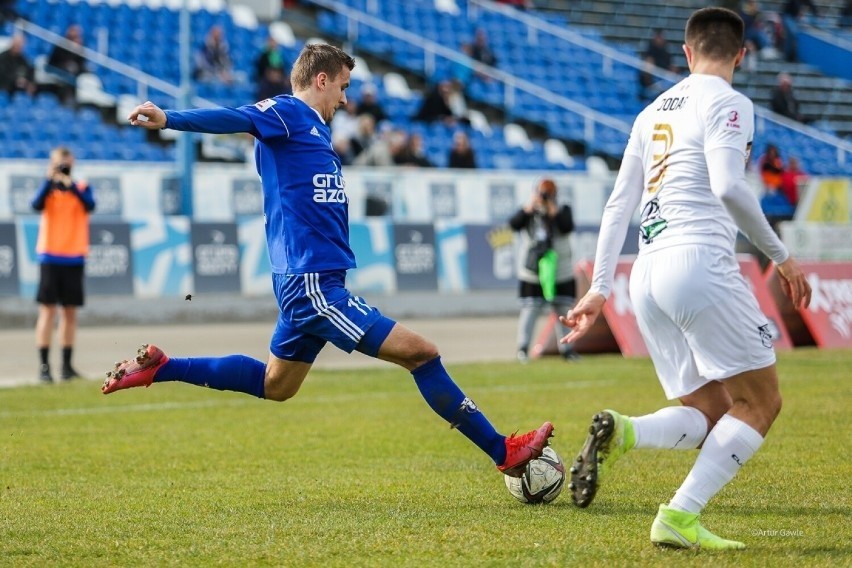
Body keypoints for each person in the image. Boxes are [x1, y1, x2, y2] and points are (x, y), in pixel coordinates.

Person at [107, 43, 553, 480]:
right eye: (341, 86)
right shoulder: (288, 112)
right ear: (320, 80)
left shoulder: (310, 131)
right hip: (312, 283)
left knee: (276, 386)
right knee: (423, 353)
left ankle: (164, 367)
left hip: (308, 281)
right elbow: (239, 117)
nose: (345, 97)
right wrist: (170, 119)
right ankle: (504, 451)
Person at [560, 7, 811, 550]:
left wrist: (601, 287)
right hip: (699, 264)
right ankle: (679, 514)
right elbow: (728, 187)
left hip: (646, 274)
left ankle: (626, 431)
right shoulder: (729, 101)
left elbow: (617, 204)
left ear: (687, 52)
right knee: (761, 402)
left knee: (712, 410)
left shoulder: (650, 112)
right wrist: (783, 257)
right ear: (741, 55)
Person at [31, 146, 96, 383]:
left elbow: (90, 205)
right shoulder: (47, 189)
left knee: (70, 313)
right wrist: (51, 179)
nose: (64, 167)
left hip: (74, 257)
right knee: (47, 311)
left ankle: (67, 367)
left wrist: (70, 183)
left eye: (66, 163)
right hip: (50, 256)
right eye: (60, 163)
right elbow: (35, 204)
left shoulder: (81, 187)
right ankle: (44, 367)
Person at [509, 178, 579, 364]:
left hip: (560, 269)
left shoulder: (562, 209)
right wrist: (530, 207)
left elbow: (567, 226)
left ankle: (567, 348)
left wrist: (552, 209)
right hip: (534, 271)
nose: (545, 197)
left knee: (563, 309)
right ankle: (523, 349)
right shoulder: (529, 211)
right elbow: (514, 224)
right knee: (531, 309)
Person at [46, 24, 87, 104]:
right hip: (59, 72)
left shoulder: (80, 49)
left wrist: (77, 51)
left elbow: (82, 65)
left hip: (74, 76)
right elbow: (52, 62)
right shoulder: (60, 46)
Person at [255, 35, 290, 100]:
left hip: (278, 82)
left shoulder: (278, 55)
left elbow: (281, 68)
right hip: (265, 81)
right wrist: (269, 75)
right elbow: (261, 68)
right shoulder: (264, 55)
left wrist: (280, 77)